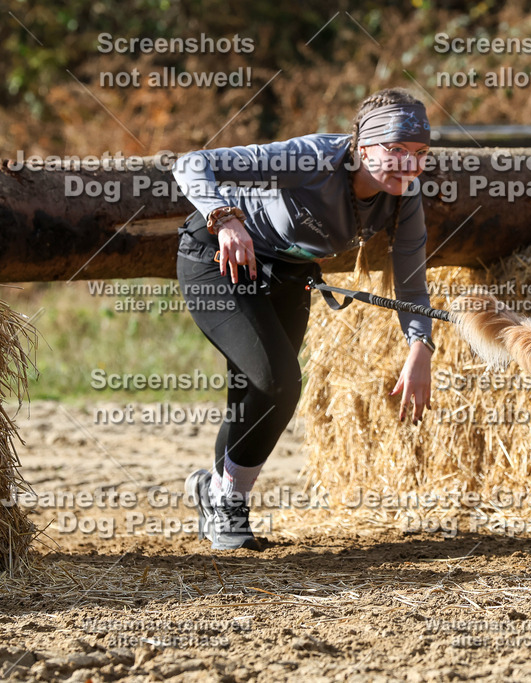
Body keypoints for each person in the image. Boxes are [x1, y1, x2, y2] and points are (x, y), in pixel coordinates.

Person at [173, 88, 435, 550]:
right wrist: (224, 217)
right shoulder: (313, 157)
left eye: (418, 153)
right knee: (278, 381)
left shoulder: (404, 197)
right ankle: (227, 501)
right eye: (395, 150)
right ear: (364, 144)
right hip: (219, 257)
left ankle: (214, 491)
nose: (408, 165)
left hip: (289, 274)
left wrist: (420, 348)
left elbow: (411, 283)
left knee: (256, 391)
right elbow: (192, 163)